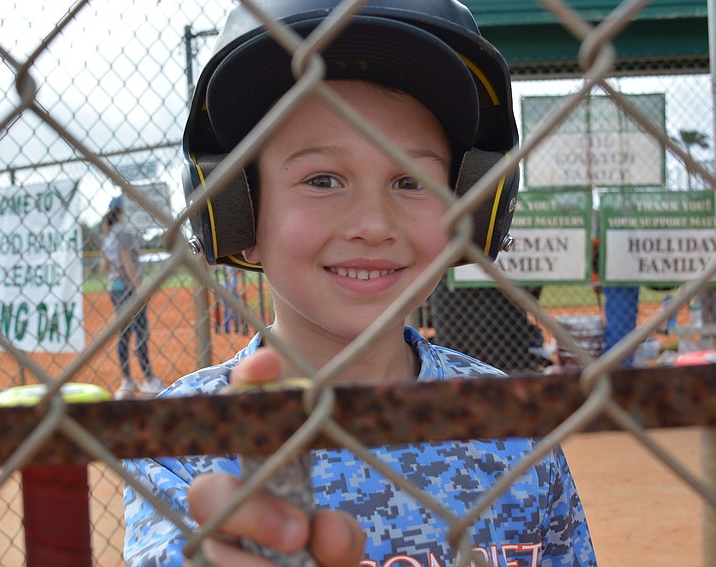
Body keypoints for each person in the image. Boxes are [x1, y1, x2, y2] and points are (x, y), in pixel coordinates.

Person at [123, 1, 596, 565]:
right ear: (238, 212)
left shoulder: (513, 422)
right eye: (323, 179)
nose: (373, 225)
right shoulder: (185, 436)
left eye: (411, 180)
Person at [101, 196, 164, 399]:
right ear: (121, 211)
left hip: (115, 288)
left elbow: (105, 267)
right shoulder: (124, 232)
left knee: (124, 334)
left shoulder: (108, 234)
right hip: (129, 290)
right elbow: (127, 261)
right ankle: (148, 379)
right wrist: (140, 288)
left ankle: (127, 380)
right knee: (141, 332)